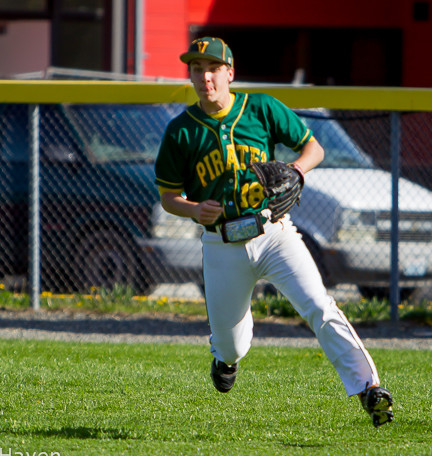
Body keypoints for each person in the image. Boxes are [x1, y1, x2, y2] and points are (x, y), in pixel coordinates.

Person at [154, 36, 394, 427]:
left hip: (274, 232)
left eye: (213, 68)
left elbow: (314, 149)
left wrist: (297, 170)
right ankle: (225, 359)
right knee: (231, 343)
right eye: (197, 69)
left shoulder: (261, 108)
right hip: (222, 244)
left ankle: (369, 389)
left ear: (230, 73)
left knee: (318, 305)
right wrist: (193, 209)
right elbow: (168, 197)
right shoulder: (181, 131)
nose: (205, 77)